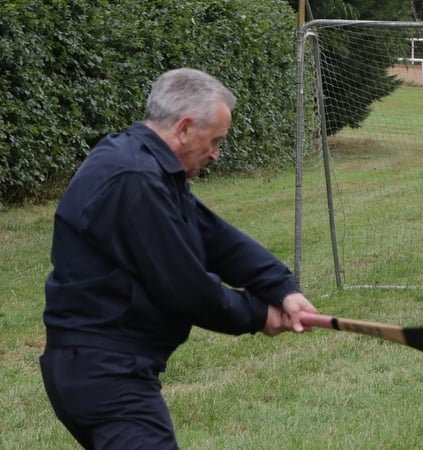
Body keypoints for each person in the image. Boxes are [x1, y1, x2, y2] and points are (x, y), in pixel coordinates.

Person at [40, 68, 318, 449]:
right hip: (106, 374)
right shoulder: (135, 178)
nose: (217, 154)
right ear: (185, 128)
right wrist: (259, 315)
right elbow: (185, 287)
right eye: (215, 140)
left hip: (101, 367)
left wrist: (281, 288)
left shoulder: (147, 167)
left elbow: (213, 236)